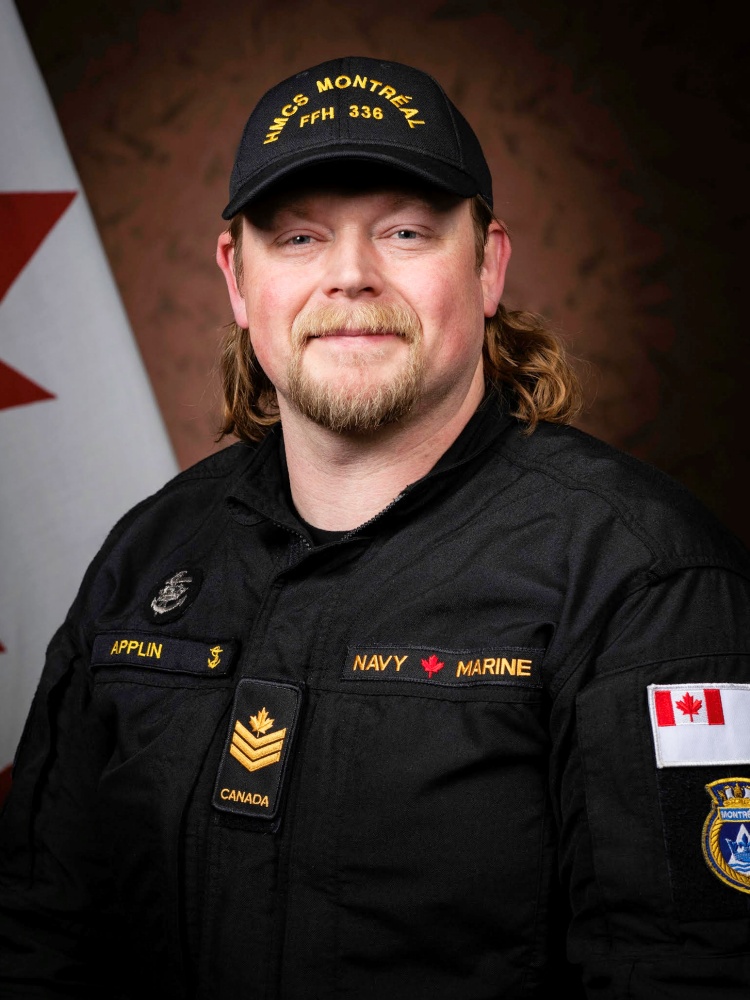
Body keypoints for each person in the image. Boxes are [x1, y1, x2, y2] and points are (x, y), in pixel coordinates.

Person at [1, 55, 749, 1000]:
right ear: (238, 277)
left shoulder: (647, 583)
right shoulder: (148, 557)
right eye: (300, 237)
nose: (350, 277)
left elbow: (688, 978)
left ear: (487, 264)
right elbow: (35, 938)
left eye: (404, 230)